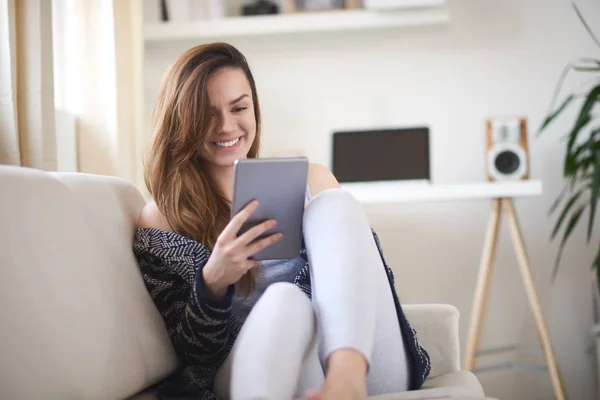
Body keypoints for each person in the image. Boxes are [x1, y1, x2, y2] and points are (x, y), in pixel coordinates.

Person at [133, 42, 430, 400]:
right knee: (283, 300)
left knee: (333, 205)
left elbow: (370, 283)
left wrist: (318, 246)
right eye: (208, 114)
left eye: (239, 107)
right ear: (182, 119)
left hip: (367, 368)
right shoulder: (162, 219)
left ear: (254, 109)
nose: (226, 126)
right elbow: (195, 356)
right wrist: (212, 281)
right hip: (265, 371)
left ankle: (344, 382)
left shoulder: (314, 182)